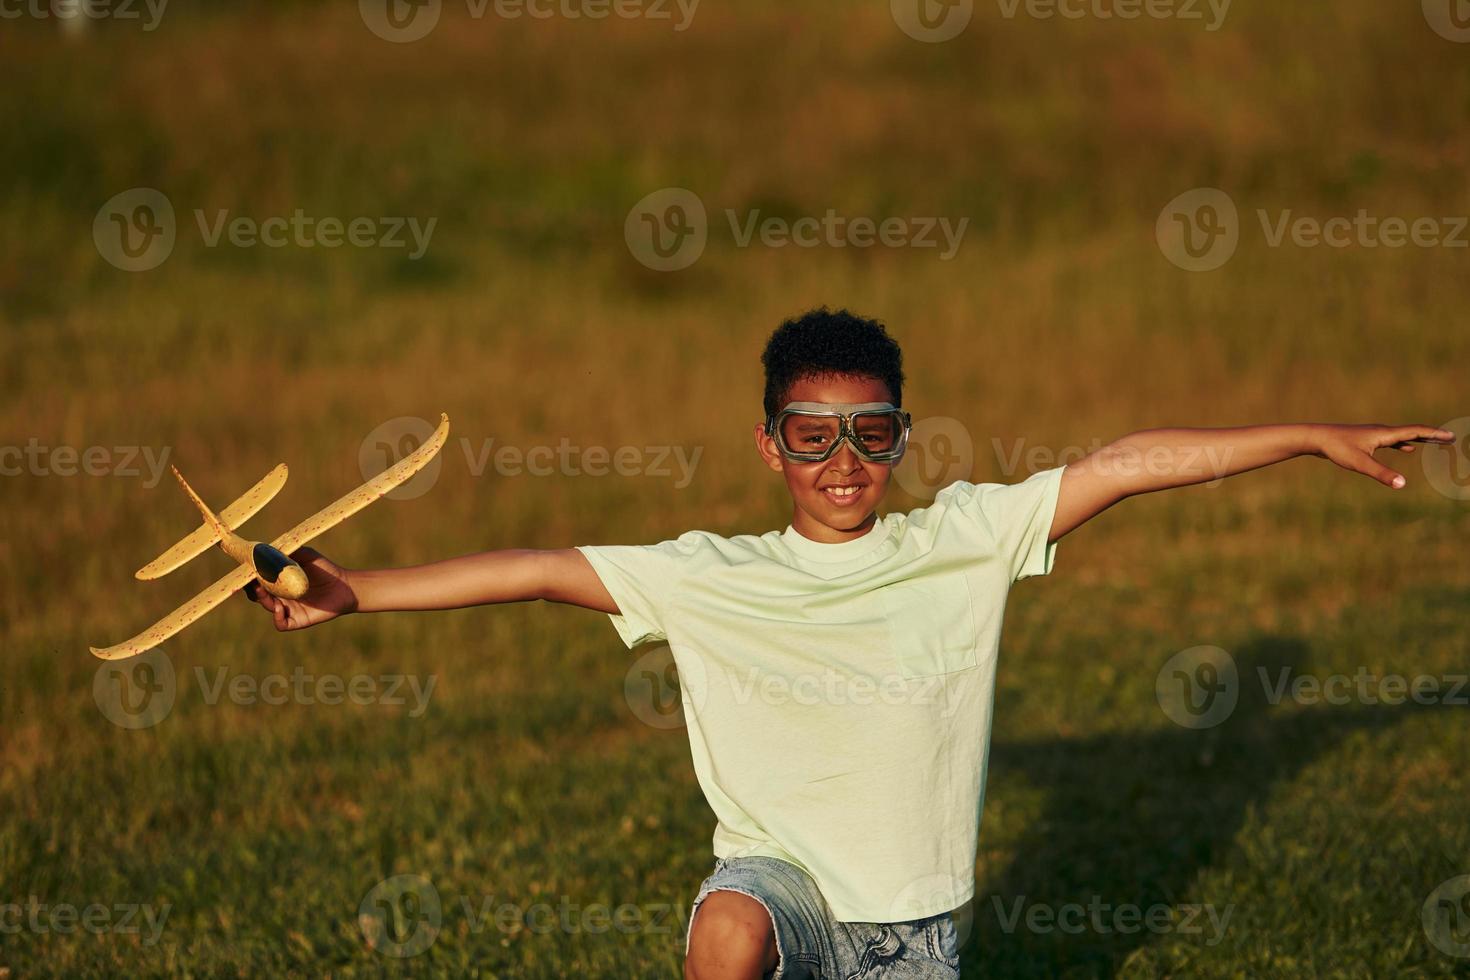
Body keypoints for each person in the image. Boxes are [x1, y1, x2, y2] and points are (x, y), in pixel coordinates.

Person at [245, 308, 1454, 979]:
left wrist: (1302, 431)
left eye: (869, 433)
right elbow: (539, 570)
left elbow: (1121, 466)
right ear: (770, 445)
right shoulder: (714, 573)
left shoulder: (967, 536)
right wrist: (357, 594)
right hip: (785, 892)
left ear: (903, 437)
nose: (842, 462)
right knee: (727, 930)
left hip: (917, 934)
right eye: (811, 435)